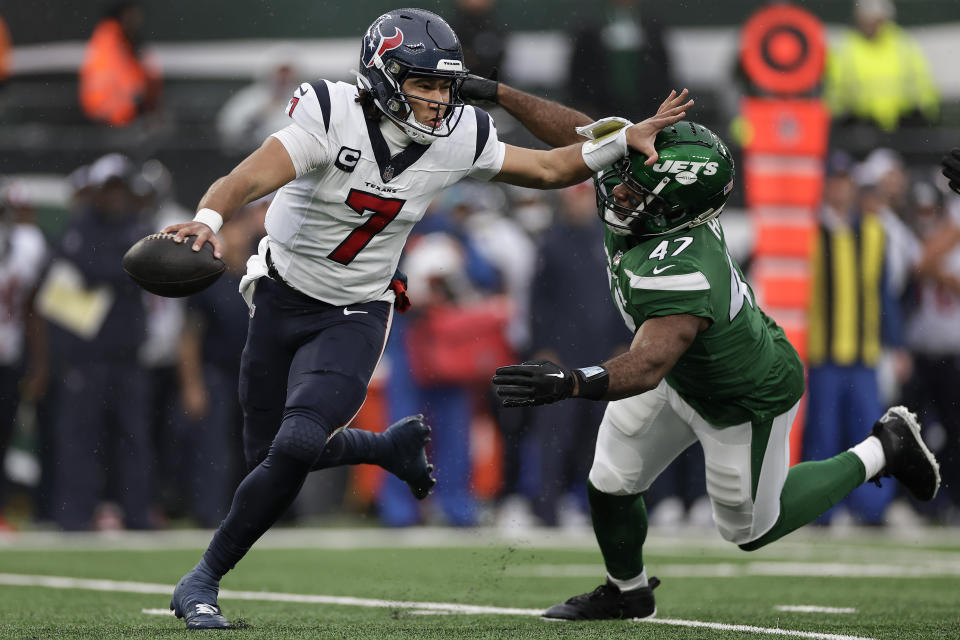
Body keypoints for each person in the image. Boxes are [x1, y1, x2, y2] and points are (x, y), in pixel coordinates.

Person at [163, 7, 692, 629]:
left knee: (299, 440)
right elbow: (246, 177)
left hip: (356, 309)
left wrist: (615, 141)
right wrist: (208, 220)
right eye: (424, 84)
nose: (439, 99)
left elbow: (551, 168)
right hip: (280, 294)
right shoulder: (330, 115)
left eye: (445, 85)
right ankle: (385, 447)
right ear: (384, 77)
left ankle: (203, 580)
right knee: (269, 454)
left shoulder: (459, 133)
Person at [491, 123, 941, 620]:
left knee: (749, 529)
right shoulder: (656, 202)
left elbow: (647, 365)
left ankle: (885, 447)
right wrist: (495, 90)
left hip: (739, 395)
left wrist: (570, 382)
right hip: (682, 372)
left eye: (637, 189)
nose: (618, 191)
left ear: (674, 207)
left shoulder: (687, 267)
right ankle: (628, 590)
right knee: (611, 480)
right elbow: (583, 133)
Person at [824, 0, 938, 132]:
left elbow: (923, 89)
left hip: (903, 125)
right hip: (861, 127)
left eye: (875, 19)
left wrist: (923, 114)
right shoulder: (846, 47)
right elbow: (835, 95)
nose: (870, 24)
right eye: (865, 18)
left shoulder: (903, 44)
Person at [79, 1, 162, 127]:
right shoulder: (112, 38)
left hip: (113, 112)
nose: (137, 18)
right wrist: (142, 95)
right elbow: (124, 74)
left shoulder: (111, 36)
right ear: (123, 14)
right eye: (132, 13)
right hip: (115, 113)